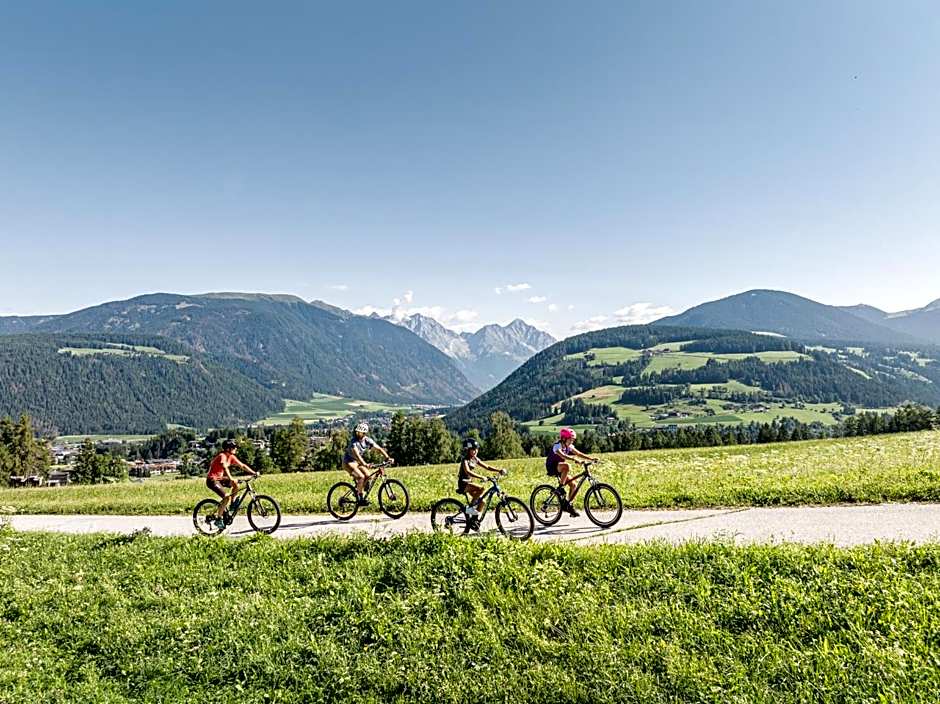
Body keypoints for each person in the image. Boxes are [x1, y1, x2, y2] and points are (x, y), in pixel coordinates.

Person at [546, 428, 598, 517]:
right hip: (552, 467)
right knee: (567, 466)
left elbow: (578, 453)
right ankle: (560, 488)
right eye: (570, 439)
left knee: (573, 485)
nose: (572, 442)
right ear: (564, 439)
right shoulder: (557, 446)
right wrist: (574, 459)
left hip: (561, 468)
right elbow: (562, 455)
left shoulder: (569, 446)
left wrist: (591, 459)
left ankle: (569, 506)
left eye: (573, 440)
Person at [206, 438, 258, 528]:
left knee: (236, 484)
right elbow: (225, 467)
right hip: (212, 480)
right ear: (228, 449)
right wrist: (231, 479)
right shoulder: (222, 456)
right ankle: (218, 519)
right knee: (226, 497)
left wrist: (254, 473)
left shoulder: (231, 457)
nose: (236, 448)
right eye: (234, 447)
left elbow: (242, 466)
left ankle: (232, 504)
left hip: (220, 478)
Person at [457, 437, 504, 531]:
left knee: (482, 502)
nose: (475, 451)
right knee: (481, 488)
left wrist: (499, 470)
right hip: (463, 484)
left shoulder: (475, 459)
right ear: (468, 450)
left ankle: (473, 521)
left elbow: (487, 467)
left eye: (476, 449)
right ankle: (469, 508)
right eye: (473, 449)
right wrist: (481, 477)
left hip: (469, 484)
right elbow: (468, 472)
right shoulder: (465, 460)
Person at [343, 422, 393, 505]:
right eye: (357, 432)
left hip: (358, 463)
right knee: (361, 477)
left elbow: (379, 449)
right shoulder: (353, 442)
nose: (357, 433)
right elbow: (357, 455)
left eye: (360, 432)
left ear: (364, 433)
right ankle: (360, 498)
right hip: (349, 462)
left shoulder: (367, 440)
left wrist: (387, 458)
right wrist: (365, 464)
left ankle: (357, 491)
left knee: (369, 476)